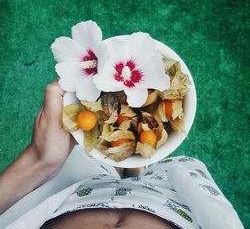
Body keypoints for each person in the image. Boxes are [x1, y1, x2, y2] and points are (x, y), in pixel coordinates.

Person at [0, 80, 244, 229]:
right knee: (169, 171)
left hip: (77, 194)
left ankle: (122, 165)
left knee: (88, 162)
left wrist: (39, 161)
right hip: (168, 203)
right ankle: (138, 169)